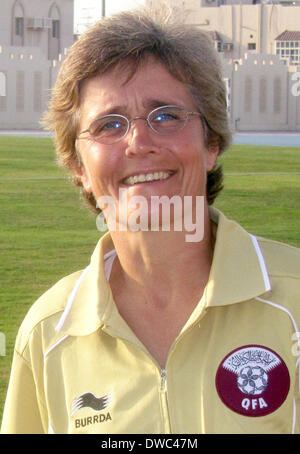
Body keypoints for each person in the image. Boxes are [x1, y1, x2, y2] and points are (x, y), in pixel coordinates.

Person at [1, 6, 300, 435]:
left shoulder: (294, 303)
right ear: (78, 166)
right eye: (109, 124)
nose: (139, 142)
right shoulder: (48, 334)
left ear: (211, 142)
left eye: (166, 116)